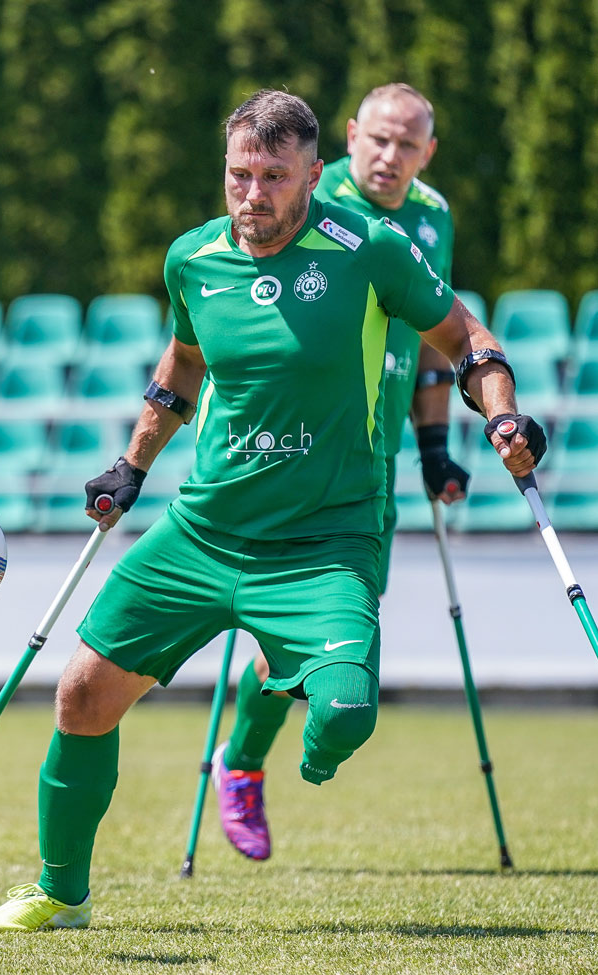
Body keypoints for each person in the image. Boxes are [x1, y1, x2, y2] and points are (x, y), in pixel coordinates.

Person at [0, 90, 545, 933]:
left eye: (275, 176)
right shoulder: (193, 258)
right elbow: (183, 361)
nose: (254, 194)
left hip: (325, 542)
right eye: (241, 174)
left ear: (315, 173)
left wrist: (498, 411)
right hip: (201, 533)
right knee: (83, 695)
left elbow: (466, 338)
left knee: (344, 713)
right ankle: (60, 894)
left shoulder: (369, 248)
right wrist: (132, 466)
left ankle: (287, 755)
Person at [213, 83, 469, 862]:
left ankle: (250, 760)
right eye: (379, 139)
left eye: (408, 145)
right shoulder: (303, 197)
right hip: (287, 457)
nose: (389, 157)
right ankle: (243, 765)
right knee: (282, 643)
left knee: (331, 646)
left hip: (371, 463)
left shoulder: (432, 217)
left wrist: (432, 447)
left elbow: (434, 338)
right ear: (350, 139)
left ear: (427, 153)